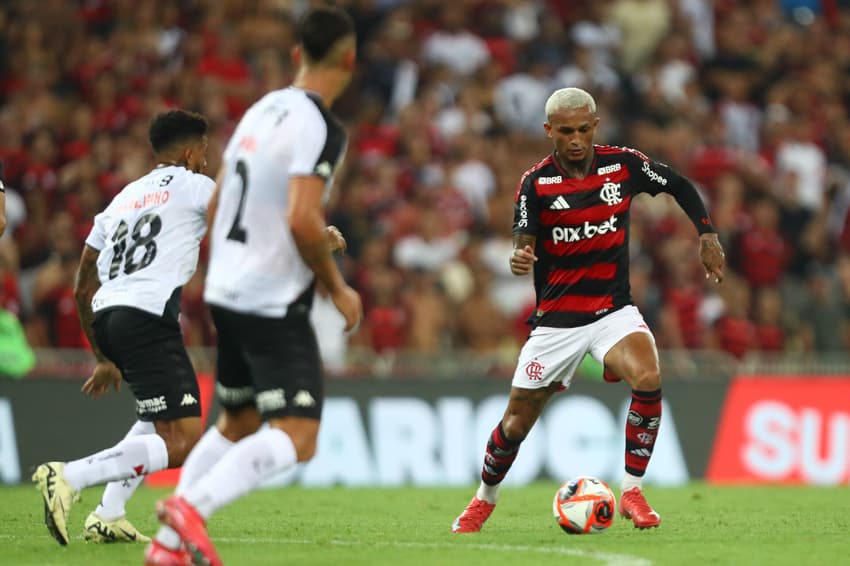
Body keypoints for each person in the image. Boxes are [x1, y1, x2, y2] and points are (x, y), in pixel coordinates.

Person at [451, 87, 725, 533]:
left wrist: (707, 235)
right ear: (548, 131)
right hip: (557, 322)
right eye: (565, 131)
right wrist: (519, 258)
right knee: (515, 425)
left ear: (595, 126)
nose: (576, 139)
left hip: (612, 312)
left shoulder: (624, 165)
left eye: (583, 129)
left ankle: (632, 492)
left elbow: (678, 184)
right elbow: (523, 246)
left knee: (649, 377)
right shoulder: (536, 183)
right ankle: (484, 499)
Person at [145, 7, 362, 566]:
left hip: (227, 288)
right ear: (350, 60)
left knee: (238, 420)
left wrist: (233, 264)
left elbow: (217, 202)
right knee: (299, 434)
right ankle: (191, 509)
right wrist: (337, 288)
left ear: (296, 56)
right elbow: (302, 218)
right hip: (269, 299)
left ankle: (167, 548)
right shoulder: (322, 127)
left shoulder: (262, 109)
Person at [32, 110, 213, 546]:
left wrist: (101, 354)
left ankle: (108, 514)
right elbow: (243, 220)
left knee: (155, 417)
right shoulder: (196, 186)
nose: (207, 161)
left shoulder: (123, 198)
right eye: (204, 152)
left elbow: (81, 285)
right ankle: (69, 477)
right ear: (190, 153)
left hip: (110, 317)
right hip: (148, 316)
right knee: (185, 440)